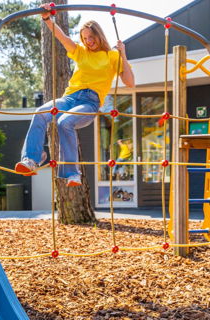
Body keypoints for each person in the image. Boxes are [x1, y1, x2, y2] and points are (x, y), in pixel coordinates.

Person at [15, 4, 135, 186]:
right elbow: (61, 37)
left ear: (98, 35)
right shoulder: (81, 52)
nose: (89, 41)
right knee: (40, 112)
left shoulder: (111, 56)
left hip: (90, 101)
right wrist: (47, 19)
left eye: (91, 37)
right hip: (70, 98)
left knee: (65, 122)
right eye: (85, 38)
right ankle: (32, 159)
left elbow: (130, 82)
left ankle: (73, 173)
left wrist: (123, 55)